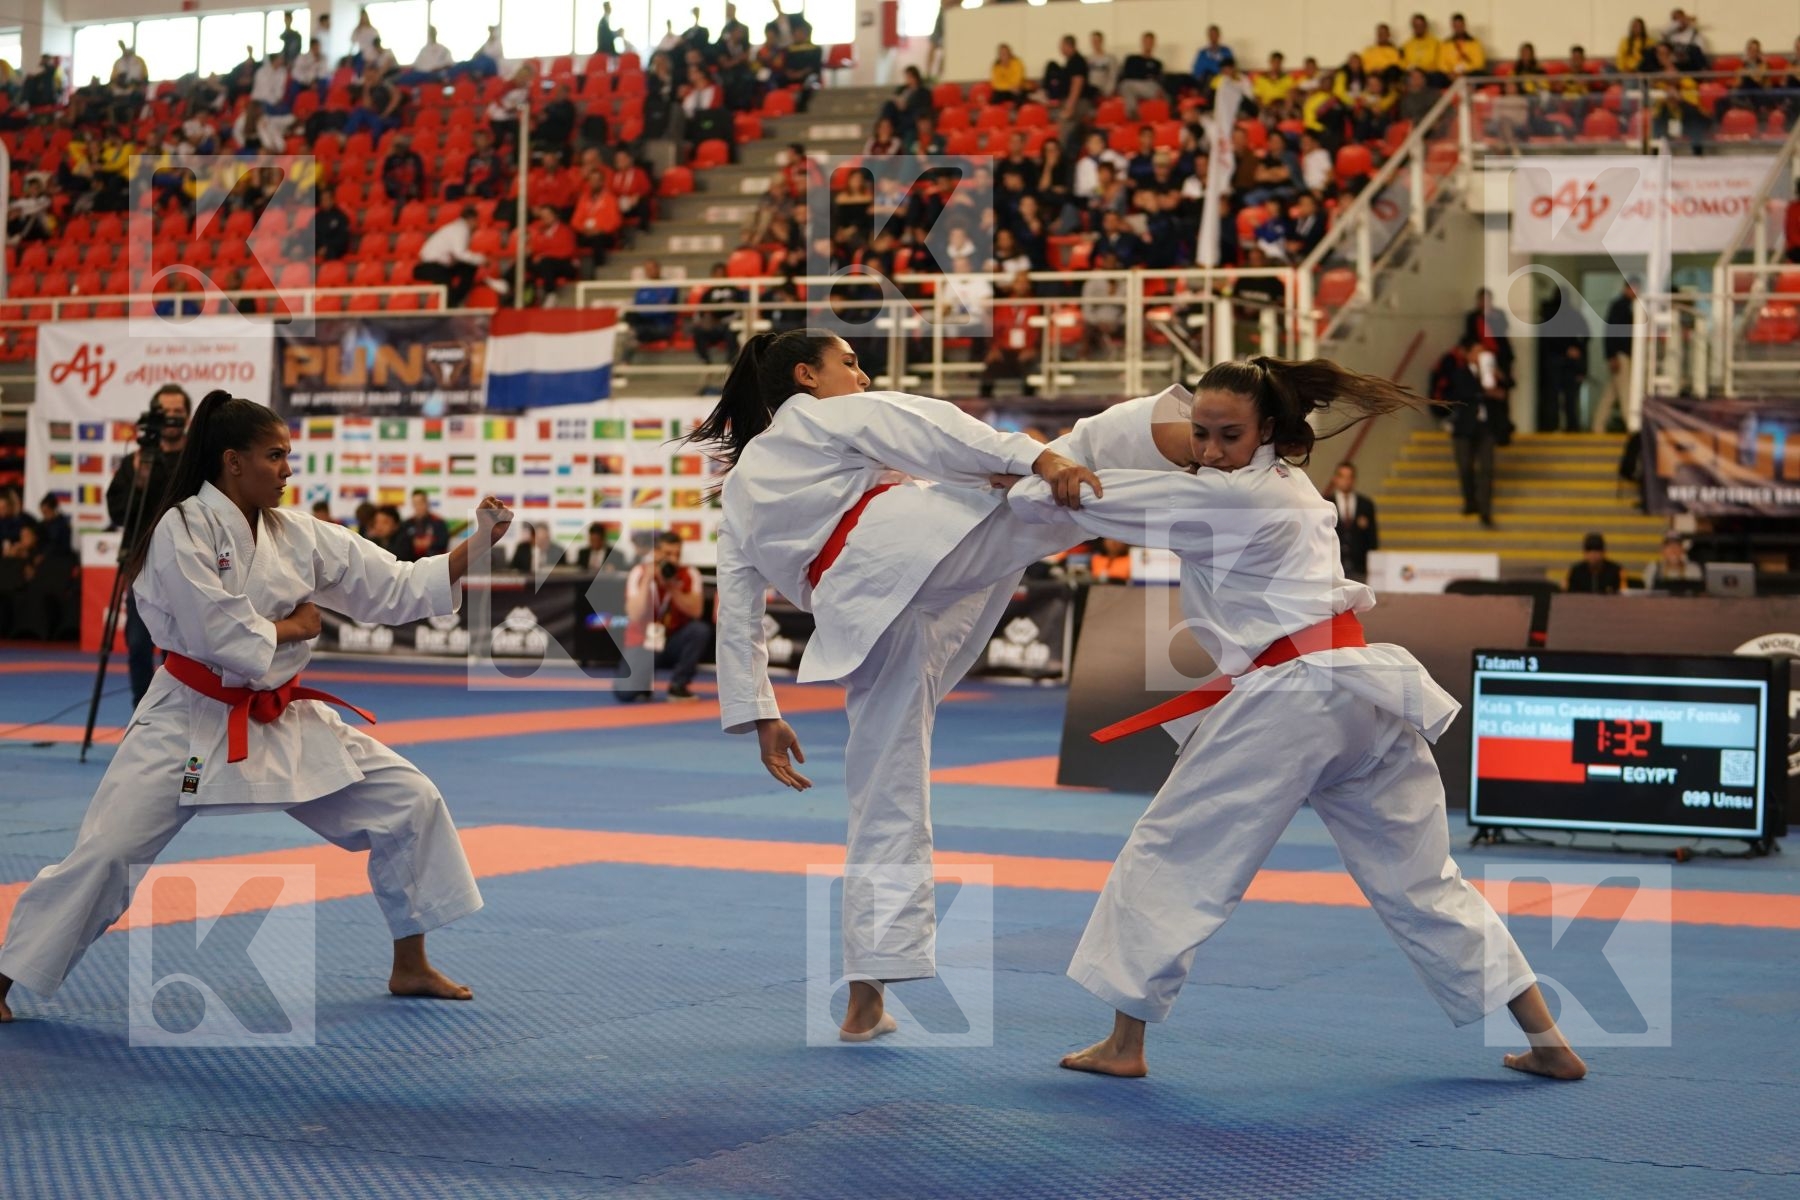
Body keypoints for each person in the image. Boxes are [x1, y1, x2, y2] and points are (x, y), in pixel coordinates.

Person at [1003, 356, 1587, 1083]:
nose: (1210, 451)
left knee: (1172, 854)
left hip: (1292, 698)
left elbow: (1088, 498)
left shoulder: (1231, 502)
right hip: (1362, 695)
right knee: (1424, 881)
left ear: (1269, 430)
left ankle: (1125, 1045)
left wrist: (1027, 468)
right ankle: (1549, 1039)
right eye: (1202, 434)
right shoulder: (1294, 486)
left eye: (1228, 435)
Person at [0, 393, 516, 1025]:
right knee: (107, 853)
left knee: (409, 800)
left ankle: (410, 963)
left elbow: (395, 586)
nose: (288, 470)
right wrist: (299, 625)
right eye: (276, 456)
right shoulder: (180, 528)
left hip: (277, 716)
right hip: (188, 719)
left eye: (288, 456)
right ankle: (2, 977)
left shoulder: (297, 533)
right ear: (233, 462)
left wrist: (480, 542)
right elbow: (218, 634)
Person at [694, 330, 1100, 1041]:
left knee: (885, 796)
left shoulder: (741, 490)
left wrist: (761, 711)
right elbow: (925, 423)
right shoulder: (821, 415)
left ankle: (865, 1000)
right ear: (805, 377)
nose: (863, 373)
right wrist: (1037, 453)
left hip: (863, 616)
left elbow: (738, 606)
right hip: (904, 558)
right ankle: (1202, 471)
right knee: (1066, 485)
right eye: (848, 363)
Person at [108, 385, 192, 709]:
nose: (171, 418)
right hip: (141, 563)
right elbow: (117, 511)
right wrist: (142, 468)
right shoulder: (136, 461)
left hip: (186, 564)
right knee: (138, 643)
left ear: (187, 415)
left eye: (178, 412)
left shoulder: (195, 461)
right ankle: (142, 714)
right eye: (165, 412)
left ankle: (177, 715)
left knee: (181, 647)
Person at [615, 531, 712, 703]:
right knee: (625, 693)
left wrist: (672, 587)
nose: (673, 559)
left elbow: (696, 611)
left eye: (677, 554)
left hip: (674, 640)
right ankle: (643, 682)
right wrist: (647, 581)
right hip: (644, 641)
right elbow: (634, 614)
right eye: (668, 554)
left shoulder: (689, 573)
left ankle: (678, 686)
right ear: (656, 553)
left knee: (699, 630)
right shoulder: (639, 572)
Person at [1448, 335, 1505, 528]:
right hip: (1465, 427)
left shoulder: (1491, 373)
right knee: (1465, 467)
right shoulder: (1460, 373)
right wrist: (1486, 391)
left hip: (1485, 426)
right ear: (1469, 354)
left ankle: (1485, 510)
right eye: (1477, 352)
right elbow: (1463, 393)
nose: (1481, 355)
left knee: (1487, 469)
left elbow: (1507, 387)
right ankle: (1470, 500)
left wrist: (1498, 376)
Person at [416, 206, 495, 308]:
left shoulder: (454, 228)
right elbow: (460, 254)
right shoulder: (461, 230)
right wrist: (482, 259)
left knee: (467, 268)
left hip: (437, 265)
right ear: (471, 219)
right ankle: (452, 304)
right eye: (476, 221)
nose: (477, 225)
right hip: (432, 266)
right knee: (460, 273)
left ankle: (454, 301)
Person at [1593, 280, 1636, 433]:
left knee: (1611, 392)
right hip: (1621, 354)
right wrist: (1612, 355)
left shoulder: (1628, 307)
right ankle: (1631, 425)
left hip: (1622, 354)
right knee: (1625, 392)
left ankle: (1598, 425)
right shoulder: (1620, 307)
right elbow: (1611, 332)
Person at [1324, 461, 1378, 581]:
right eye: (1342, 476)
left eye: (1350, 477)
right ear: (1335, 479)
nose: (1346, 481)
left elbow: (1372, 539)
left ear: (1354, 479)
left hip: (1358, 568)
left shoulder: (1366, 505)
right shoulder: (1325, 503)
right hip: (1332, 566)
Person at [400, 489, 449, 561]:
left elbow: (443, 542)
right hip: (413, 564)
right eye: (415, 503)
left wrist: (429, 543)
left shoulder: (438, 522)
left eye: (420, 503)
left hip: (435, 562)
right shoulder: (407, 524)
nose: (418, 506)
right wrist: (413, 543)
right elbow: (401, 545)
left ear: (427, 503)